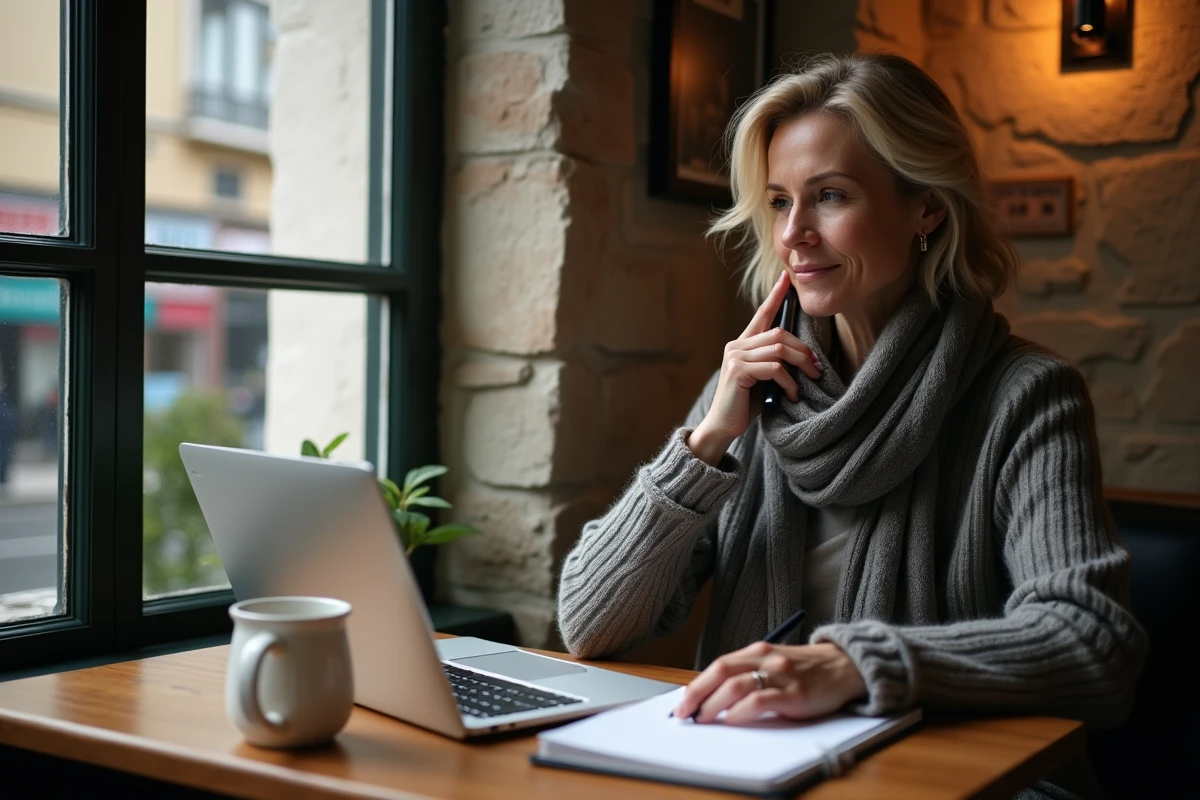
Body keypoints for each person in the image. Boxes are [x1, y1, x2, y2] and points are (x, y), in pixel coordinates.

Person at [557, 53, 1144, 798]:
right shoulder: (749, 389)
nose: (793, 235)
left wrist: (853, 665)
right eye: (777, 202)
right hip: (754, 771)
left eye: (829, 195)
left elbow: (1093, 643)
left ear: (926, 208)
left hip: (960, 779)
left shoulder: (1027, 397)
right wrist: (706, 444)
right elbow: (588, 624)